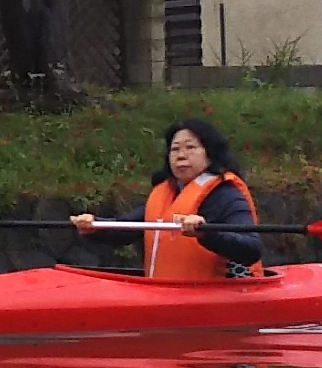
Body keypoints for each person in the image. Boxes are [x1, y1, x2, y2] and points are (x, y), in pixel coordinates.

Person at [76, 115, 266, 282]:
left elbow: (251, 248)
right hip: (166, 299)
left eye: (190, 147)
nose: (181, 156)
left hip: (212, 301)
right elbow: (126, 229)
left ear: (210, 153)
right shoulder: (166, 194)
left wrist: (207, 233)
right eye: (175, 149)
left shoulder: (226, 195)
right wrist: (94, 226)